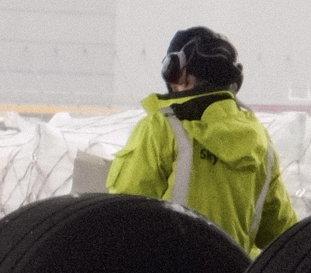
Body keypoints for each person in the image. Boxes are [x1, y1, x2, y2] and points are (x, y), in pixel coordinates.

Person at [107, 25, 297, 256]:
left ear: (179, 72)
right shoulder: (260, 142)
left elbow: (122, 219)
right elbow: (282, 233)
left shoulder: (162, 128)